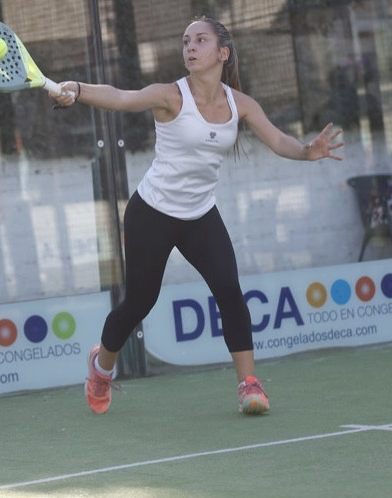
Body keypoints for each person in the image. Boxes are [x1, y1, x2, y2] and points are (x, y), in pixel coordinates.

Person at [50, 16, 343, 415]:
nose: (190, 47)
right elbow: (120, 97)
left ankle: (249, 386)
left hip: (200, 214)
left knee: (229, 290)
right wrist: (78, 88)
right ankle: (101, 367)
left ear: (222, 53)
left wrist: (307, 151)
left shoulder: (241, 104)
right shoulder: (170, 95)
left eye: (200, 40)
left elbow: (278, 140)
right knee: (139, 302)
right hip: (152, 212)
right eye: (186, 41)